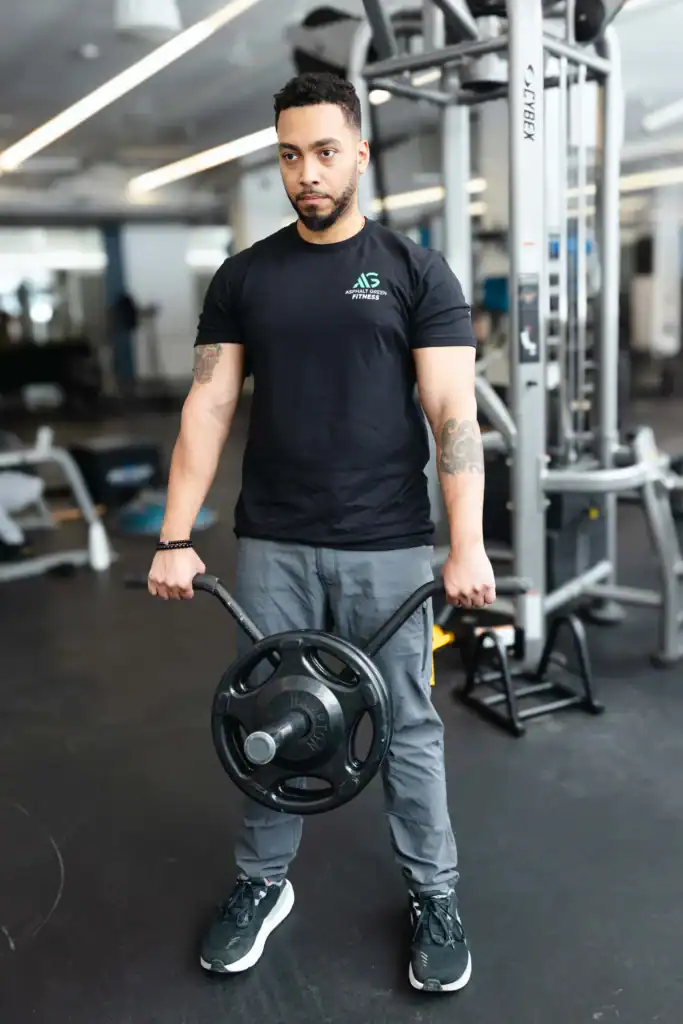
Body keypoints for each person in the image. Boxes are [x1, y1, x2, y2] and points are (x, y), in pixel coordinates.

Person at [147, 71, 495, 994]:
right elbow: (209, 404)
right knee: (268, 715)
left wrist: (465, 544)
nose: (308, 172)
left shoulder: (416, 272)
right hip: (274, 543)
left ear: (360, 155)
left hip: (386, 541)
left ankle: (434, 893)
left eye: (326, 152)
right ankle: (262, 885)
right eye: (291, 155)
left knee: (409, 723)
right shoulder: (246, 276)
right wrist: (175, 533)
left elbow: (451, 413)